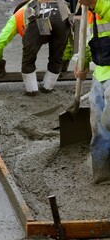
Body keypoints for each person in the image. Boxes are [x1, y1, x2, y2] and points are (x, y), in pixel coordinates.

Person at [0, 0, 72, 96]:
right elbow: (68, 44)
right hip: (62, 13)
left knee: (28, 59)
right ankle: (48, 87)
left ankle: (32, 91)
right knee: (56, 57)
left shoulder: (17, 17)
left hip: (38, 17)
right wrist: (63, 64)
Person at [75, 0, 110, 183]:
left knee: (108, 122)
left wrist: (97, 3)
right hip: (100, 73)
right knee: (98, 127)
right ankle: (102, 174)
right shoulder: (89, 11)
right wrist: (83, 60)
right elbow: (91, 38)